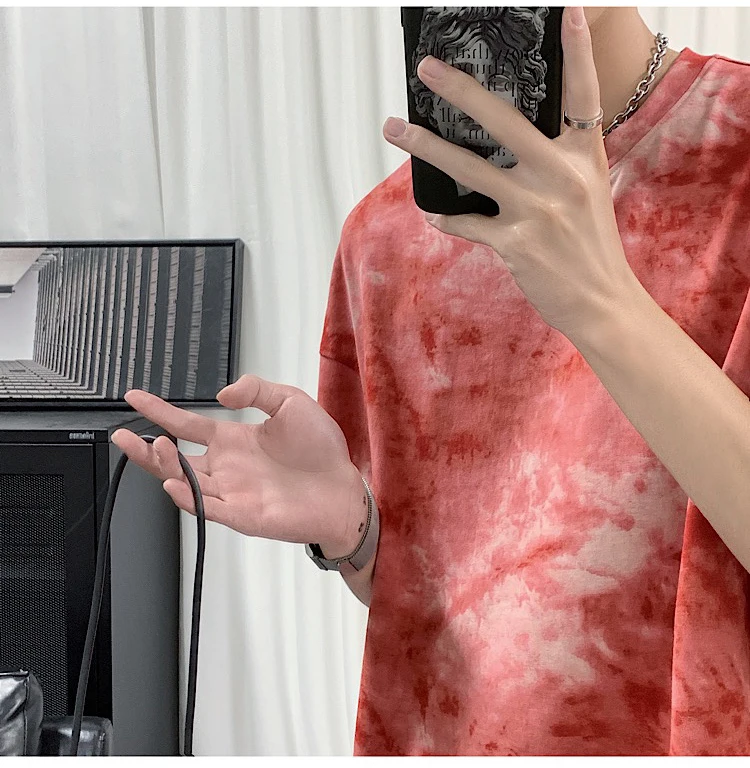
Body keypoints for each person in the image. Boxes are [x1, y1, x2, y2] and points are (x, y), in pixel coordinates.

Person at [111, 6, 750, 757]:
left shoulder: (735, 154)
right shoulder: (386, 237)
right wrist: (356, 535)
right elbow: (438, 608)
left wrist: (601, 300)